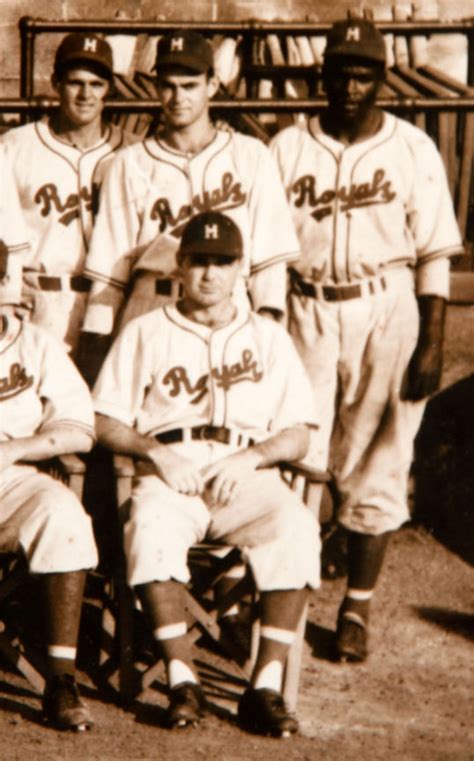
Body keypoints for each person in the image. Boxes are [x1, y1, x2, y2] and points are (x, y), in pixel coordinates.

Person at [270, 18, 464, 662]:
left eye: (363, 71)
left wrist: (432, 342)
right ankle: (283, 595)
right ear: (321, 74)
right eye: (340, 70)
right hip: (305, 306)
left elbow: (436, 254)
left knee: (381, 462)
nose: (350, 83)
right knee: (298, 456)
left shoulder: (412, 149)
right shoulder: (287, 147)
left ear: (381, 78)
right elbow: (267, 252)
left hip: (388, 308)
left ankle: (357, 605)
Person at [93, 211, 320, 737]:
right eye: (199, 261)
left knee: (297, 528)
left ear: (242, 268)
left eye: (222, 263)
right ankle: (181, 678)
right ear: (180, 265)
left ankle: (263, 688)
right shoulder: (146, 330)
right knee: (149, 527)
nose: (209, 274)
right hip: (173, 471)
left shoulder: (268, 337)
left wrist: (253, 458)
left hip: (247, 472)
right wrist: (156, 453)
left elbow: (300, 432)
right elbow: (105, 420)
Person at [78, 29, 299, 386]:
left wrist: (268, 330)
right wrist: (96, 348)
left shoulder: (250, 154)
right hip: (152, 303)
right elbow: (109, 274)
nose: (177, 97)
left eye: (190, 85)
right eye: (168, 85)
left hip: (230, 308)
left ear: (212, 85)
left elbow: (270, 266)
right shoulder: (129, 162)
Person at [0, 232, 98, 730]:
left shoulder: (35, 345)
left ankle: (60, 678)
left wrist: (19, 447)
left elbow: (79, 428)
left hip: (12, 476)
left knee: (64, 514)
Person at [1, 32, 139, 354]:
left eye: (96, 84)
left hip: (110, 303)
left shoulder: (134, 153)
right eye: (75, 82)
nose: (85, 94)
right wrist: (6, 296)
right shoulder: (15, 147)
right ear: (56, 84)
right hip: (39, 302)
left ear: (110, 89)